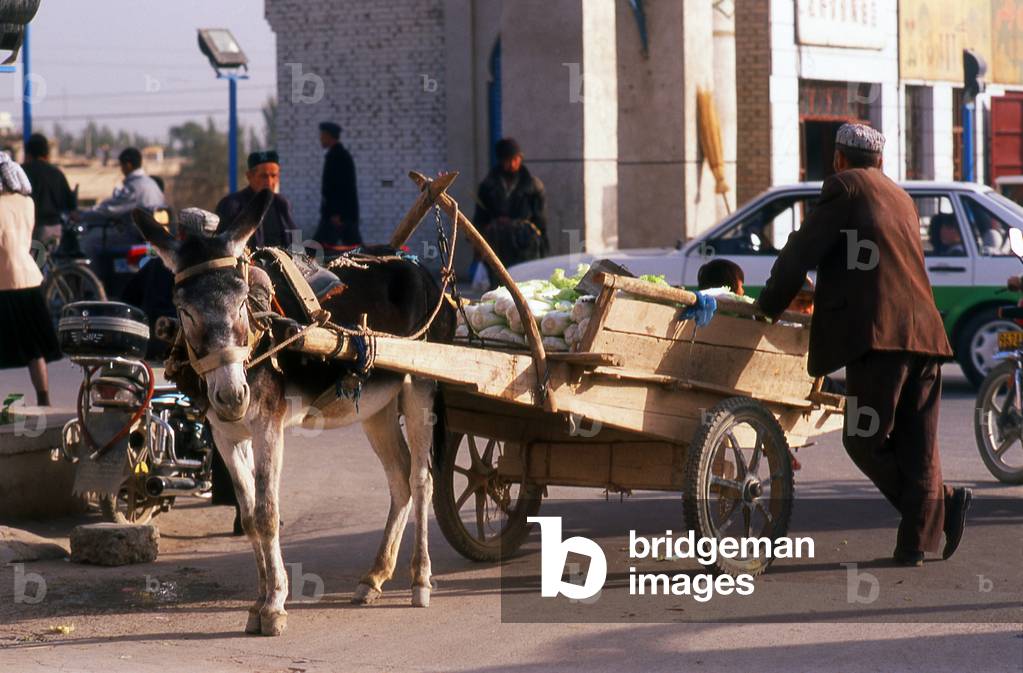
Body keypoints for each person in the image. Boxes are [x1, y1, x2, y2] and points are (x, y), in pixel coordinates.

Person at [755, 123, 971, 566]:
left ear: (838, 159)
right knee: (919, 444)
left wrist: (768, 306)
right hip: (926, 335)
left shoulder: (844, 188)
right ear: (881, 161)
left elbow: (801, 252)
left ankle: (942, 504)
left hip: (881, 338)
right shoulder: (900, 196)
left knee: (861, 438)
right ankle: (915, 542)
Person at [0, 152, 61, 406]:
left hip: (3, 279)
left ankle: (5, 405)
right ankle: (43, 397)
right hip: (29, 276)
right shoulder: (27, 203)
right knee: (34, 347)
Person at [474, 138, 549, 286]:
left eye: (516, 159)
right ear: (501, 161)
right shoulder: (488, 186)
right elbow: (480, 217)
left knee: (525, 285)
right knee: (499, 287)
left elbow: (540, 220)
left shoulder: (533, 186)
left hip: (525, 245)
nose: (513, 164)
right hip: (497, 245)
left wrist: (543, 245)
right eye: (509, 160)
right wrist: (478, 246)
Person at [73, 147, 165, 261]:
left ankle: (92, 278)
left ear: (128, 165)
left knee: (90, 241)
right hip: (151, 235)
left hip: (135, 236)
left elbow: (111, 209)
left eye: (121, 166)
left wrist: (82, 216)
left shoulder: (134, 186)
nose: (121, 169)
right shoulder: (150, 183)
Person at [215, 150, 296, 248]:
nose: (269, 182)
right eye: (264, 176)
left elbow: (296, 243)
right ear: (249, 176)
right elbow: (224, 245)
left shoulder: (282, 204)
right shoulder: (232, 205)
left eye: (273, 176)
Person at [21, 133, 75, 244]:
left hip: (33, 229)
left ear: (28, 153)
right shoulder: (57, 173)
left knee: (35, 260)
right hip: (56, 229)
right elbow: (70, 204)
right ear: (47, 153)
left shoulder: (23, 172)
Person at [313, 122, 361, 246]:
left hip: (338, 217)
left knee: (314, 249)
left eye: (322, 136)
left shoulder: (338, 157)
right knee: (354, 248)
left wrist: (336, 214)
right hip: (340, 215)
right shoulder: (338, 155)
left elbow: (341, 188)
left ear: (329, 136)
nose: (320, 139)